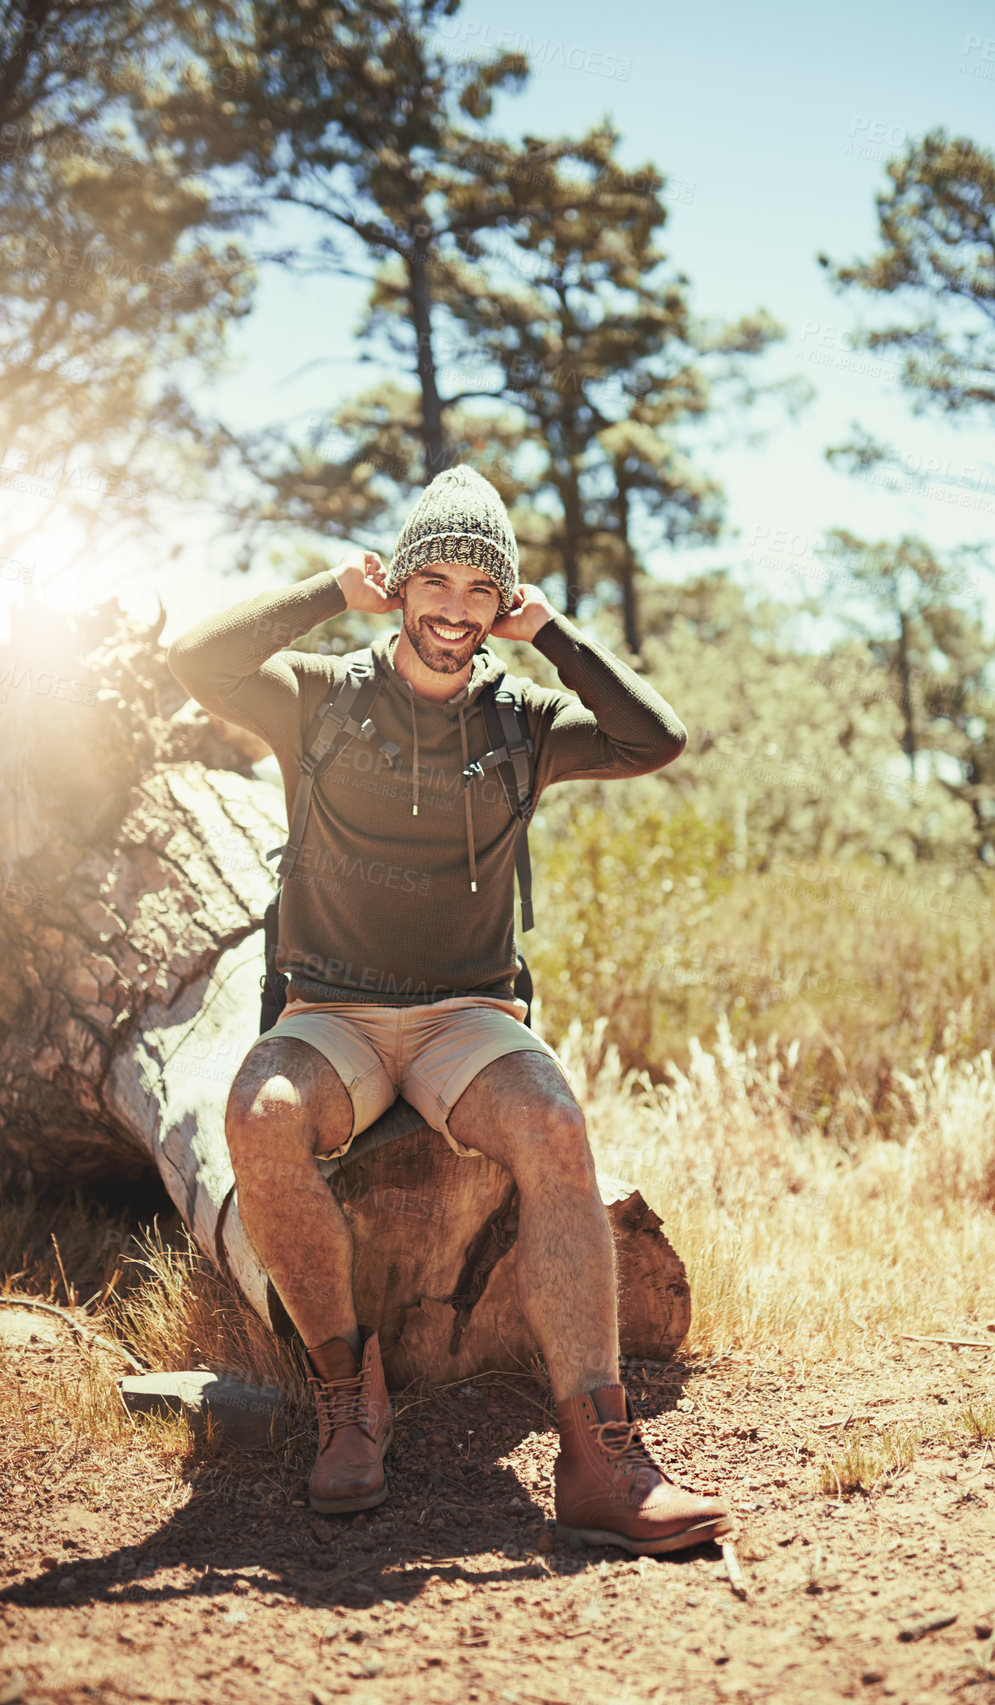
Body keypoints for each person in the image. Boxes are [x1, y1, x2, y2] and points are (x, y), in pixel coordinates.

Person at [167, 465, 730, 1555]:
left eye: (484, 590)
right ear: (402, 580)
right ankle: (348, 1394)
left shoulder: (525, 721)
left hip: (467, 1015)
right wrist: (334, 588)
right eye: (436, 580)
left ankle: (598, 1455)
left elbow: (656, 739)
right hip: (332, 1010)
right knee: (259, 1110)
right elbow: (193, 658)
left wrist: (556, 634)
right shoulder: (319, 697)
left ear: (504, 603)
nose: (456, 610)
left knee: (555, 1120)